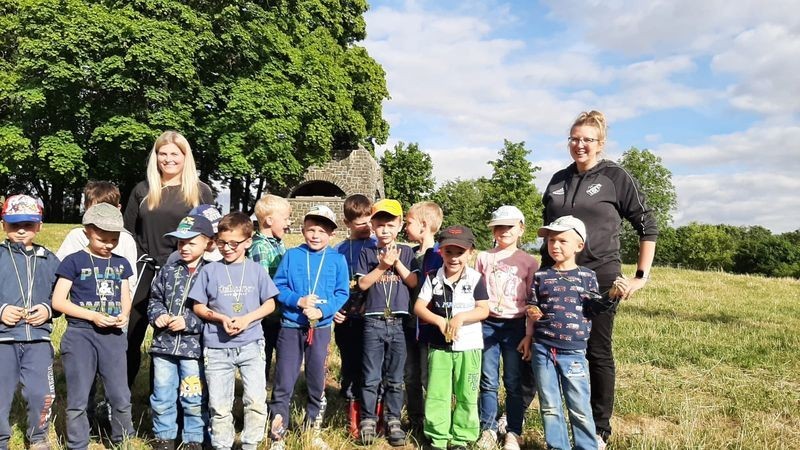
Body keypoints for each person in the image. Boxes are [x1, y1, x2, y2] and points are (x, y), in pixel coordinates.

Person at [542, 110, 658, 448]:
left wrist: (640, 276)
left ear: (600, 143)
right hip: (556, 275)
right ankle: (524, 417)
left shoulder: (615, 177)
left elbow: (647, 224)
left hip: (599, 277)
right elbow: (548, 230)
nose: (580, 145)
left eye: (587, 140)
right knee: (545, 343)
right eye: (575, 139)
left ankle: (599, 427)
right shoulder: (558, 179)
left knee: (596, 349)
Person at [123, 130, 214, 388]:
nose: (168, 159)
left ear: (185, 157)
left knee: (174, 332)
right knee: (130, 334)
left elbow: (210, 234)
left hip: (184, 271)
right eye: (162, 153)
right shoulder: (143, 190)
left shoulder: (199, 191)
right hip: (145, 269)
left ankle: (168, 397)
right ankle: (120, 396)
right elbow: (128, 233)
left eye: (175, 153)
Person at [189, 212, 278, 450]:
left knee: (256, 400)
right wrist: (219, 318)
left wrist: (248, 319)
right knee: (219, 404)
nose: (227, 248)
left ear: (248, 241)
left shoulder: (257, 271)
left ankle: (250, 443)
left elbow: (270, 303)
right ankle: (222, 444)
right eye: (221, 243)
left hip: (251, 344)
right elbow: (198, 305)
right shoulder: (209, 271)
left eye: (233, 243)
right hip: (217, 347)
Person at [52, 203, 135, 449]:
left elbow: (125, 296)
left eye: (114, 238)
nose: (109, 244)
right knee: (78, 395)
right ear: (87, 231)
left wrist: (123, 314)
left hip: (113, 335)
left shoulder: (121, 264)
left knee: (120, 394)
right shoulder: (73, 261)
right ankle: (78, 443)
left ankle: (123, 440)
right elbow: (58, 301)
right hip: (80, 335)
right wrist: (92, 316)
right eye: (102, 238)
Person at [269, 205, 349, 450]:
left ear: (332, 234)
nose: (315, 235)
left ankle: (313, 430)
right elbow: (278, 286)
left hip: (321, 328)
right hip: (291, 326)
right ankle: (277, 435)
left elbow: (342, 292)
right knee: (284, 380)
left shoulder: (337, 259)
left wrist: (323, 311)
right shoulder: (292, 256)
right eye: (311, 229)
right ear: (303, 230)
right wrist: (298, 301)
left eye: (322, 231)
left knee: (316, 380)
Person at [522, 215, 601, 450]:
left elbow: (594, 307)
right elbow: (531, 303)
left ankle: (586, 446)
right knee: (549, 405)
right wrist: (533, 312)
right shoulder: (541, 276)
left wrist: (612, 298)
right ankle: (557, 446)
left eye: (561, 241)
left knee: (579, 405)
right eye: (550, 241)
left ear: (579, 245)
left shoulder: (588, 277)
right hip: (543, 348)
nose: (554, 246)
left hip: (574, 351)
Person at [414, 226, 489, 450]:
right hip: (439, 346)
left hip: (469, 346)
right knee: (438, 393)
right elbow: (418, 306)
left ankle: (462, 437)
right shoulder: (432, 278)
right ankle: (437, 436)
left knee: (467, 392)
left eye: (460, 252)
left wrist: (461, 318)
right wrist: (438, 321)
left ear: (470, 252)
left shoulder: (476, 278)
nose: (454, 258)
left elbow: (483, 310)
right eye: (448, 252)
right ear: (441, 252)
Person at [147, 215, 216, 450]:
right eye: (180, 243)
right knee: (162, 394)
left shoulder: (212, 273)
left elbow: (214, 311)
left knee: (193, 397)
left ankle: (194, 439)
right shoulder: (168, 271)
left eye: (191, 242)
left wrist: (189, 322)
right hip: (163, 347)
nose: (184, 247)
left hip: (193, 351)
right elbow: (154, 299)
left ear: (208, 243)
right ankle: (164, 437)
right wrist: (158, 316)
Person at [356, 199, 419, 446]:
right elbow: (362, 283)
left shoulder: (407, 251)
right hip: (373, 321)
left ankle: (393, 420)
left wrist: (397, 262)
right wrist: (382, 266)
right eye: (380, 224)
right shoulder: (367, 252)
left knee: (395, 377)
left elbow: (413, 282)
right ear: (372, 226)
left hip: (399, 324)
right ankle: (368, 419)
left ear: (400, 225)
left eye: (390, 225)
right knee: (371, 376)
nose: (385, 230)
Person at [474, 205, 538, 450]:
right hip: (488, 324)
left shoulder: (529, 262)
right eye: (498, 227)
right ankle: (488, 428)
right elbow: (477, 293)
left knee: (513, 380)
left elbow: (532, 301)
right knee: (488, 380)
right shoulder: (484, 257)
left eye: (509, 226)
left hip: (516, 326)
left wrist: (529, 334)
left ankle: (514, 430)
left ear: (521, 229)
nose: (503, 231)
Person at [0, 195, 60, 450]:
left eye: (28, 224)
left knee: (41, 394)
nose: (22, 230)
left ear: (39, 226)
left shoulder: (50, 259)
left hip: (38, 339)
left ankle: (37, 437)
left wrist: (47, 310)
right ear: (4, 225)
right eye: (14, 224)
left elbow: (60, 296)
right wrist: (1, 310)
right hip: (3, 339)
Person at [332, 194, 375, 439]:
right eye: (360, 223)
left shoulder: (376, 245)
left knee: (369, 363)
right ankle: (350, 408)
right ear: (347, 223)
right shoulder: (339, 250)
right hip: (345, 315)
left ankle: (370, 409)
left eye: (370, 221)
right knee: (349, 360)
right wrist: (335, 309)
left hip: (371, 314)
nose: (367, 227)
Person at [403, 201, 443, 432]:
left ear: (424, 225)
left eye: (408, 223)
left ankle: (434, 421)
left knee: (430, 377)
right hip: (408, 325)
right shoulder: (408, 254)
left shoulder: (439, 254)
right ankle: (415, 419)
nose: (405, 228)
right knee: (410, 375)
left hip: (430, 327)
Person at [57, 181, 138, 294]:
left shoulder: (125, 239)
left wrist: (126, 308)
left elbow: (131, 280)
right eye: (95, 210)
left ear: (118, 208)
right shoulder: (77, 236)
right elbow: (60, 271)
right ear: (85, 207)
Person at [248, 194, 292, 384]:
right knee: (262, 356)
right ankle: (260, 389)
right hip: (266, 316)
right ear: (269, 220)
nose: (288, 223)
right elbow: (264, 284)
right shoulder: (260, 247)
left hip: (278, 312)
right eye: (285, 218)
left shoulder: (278, 243)